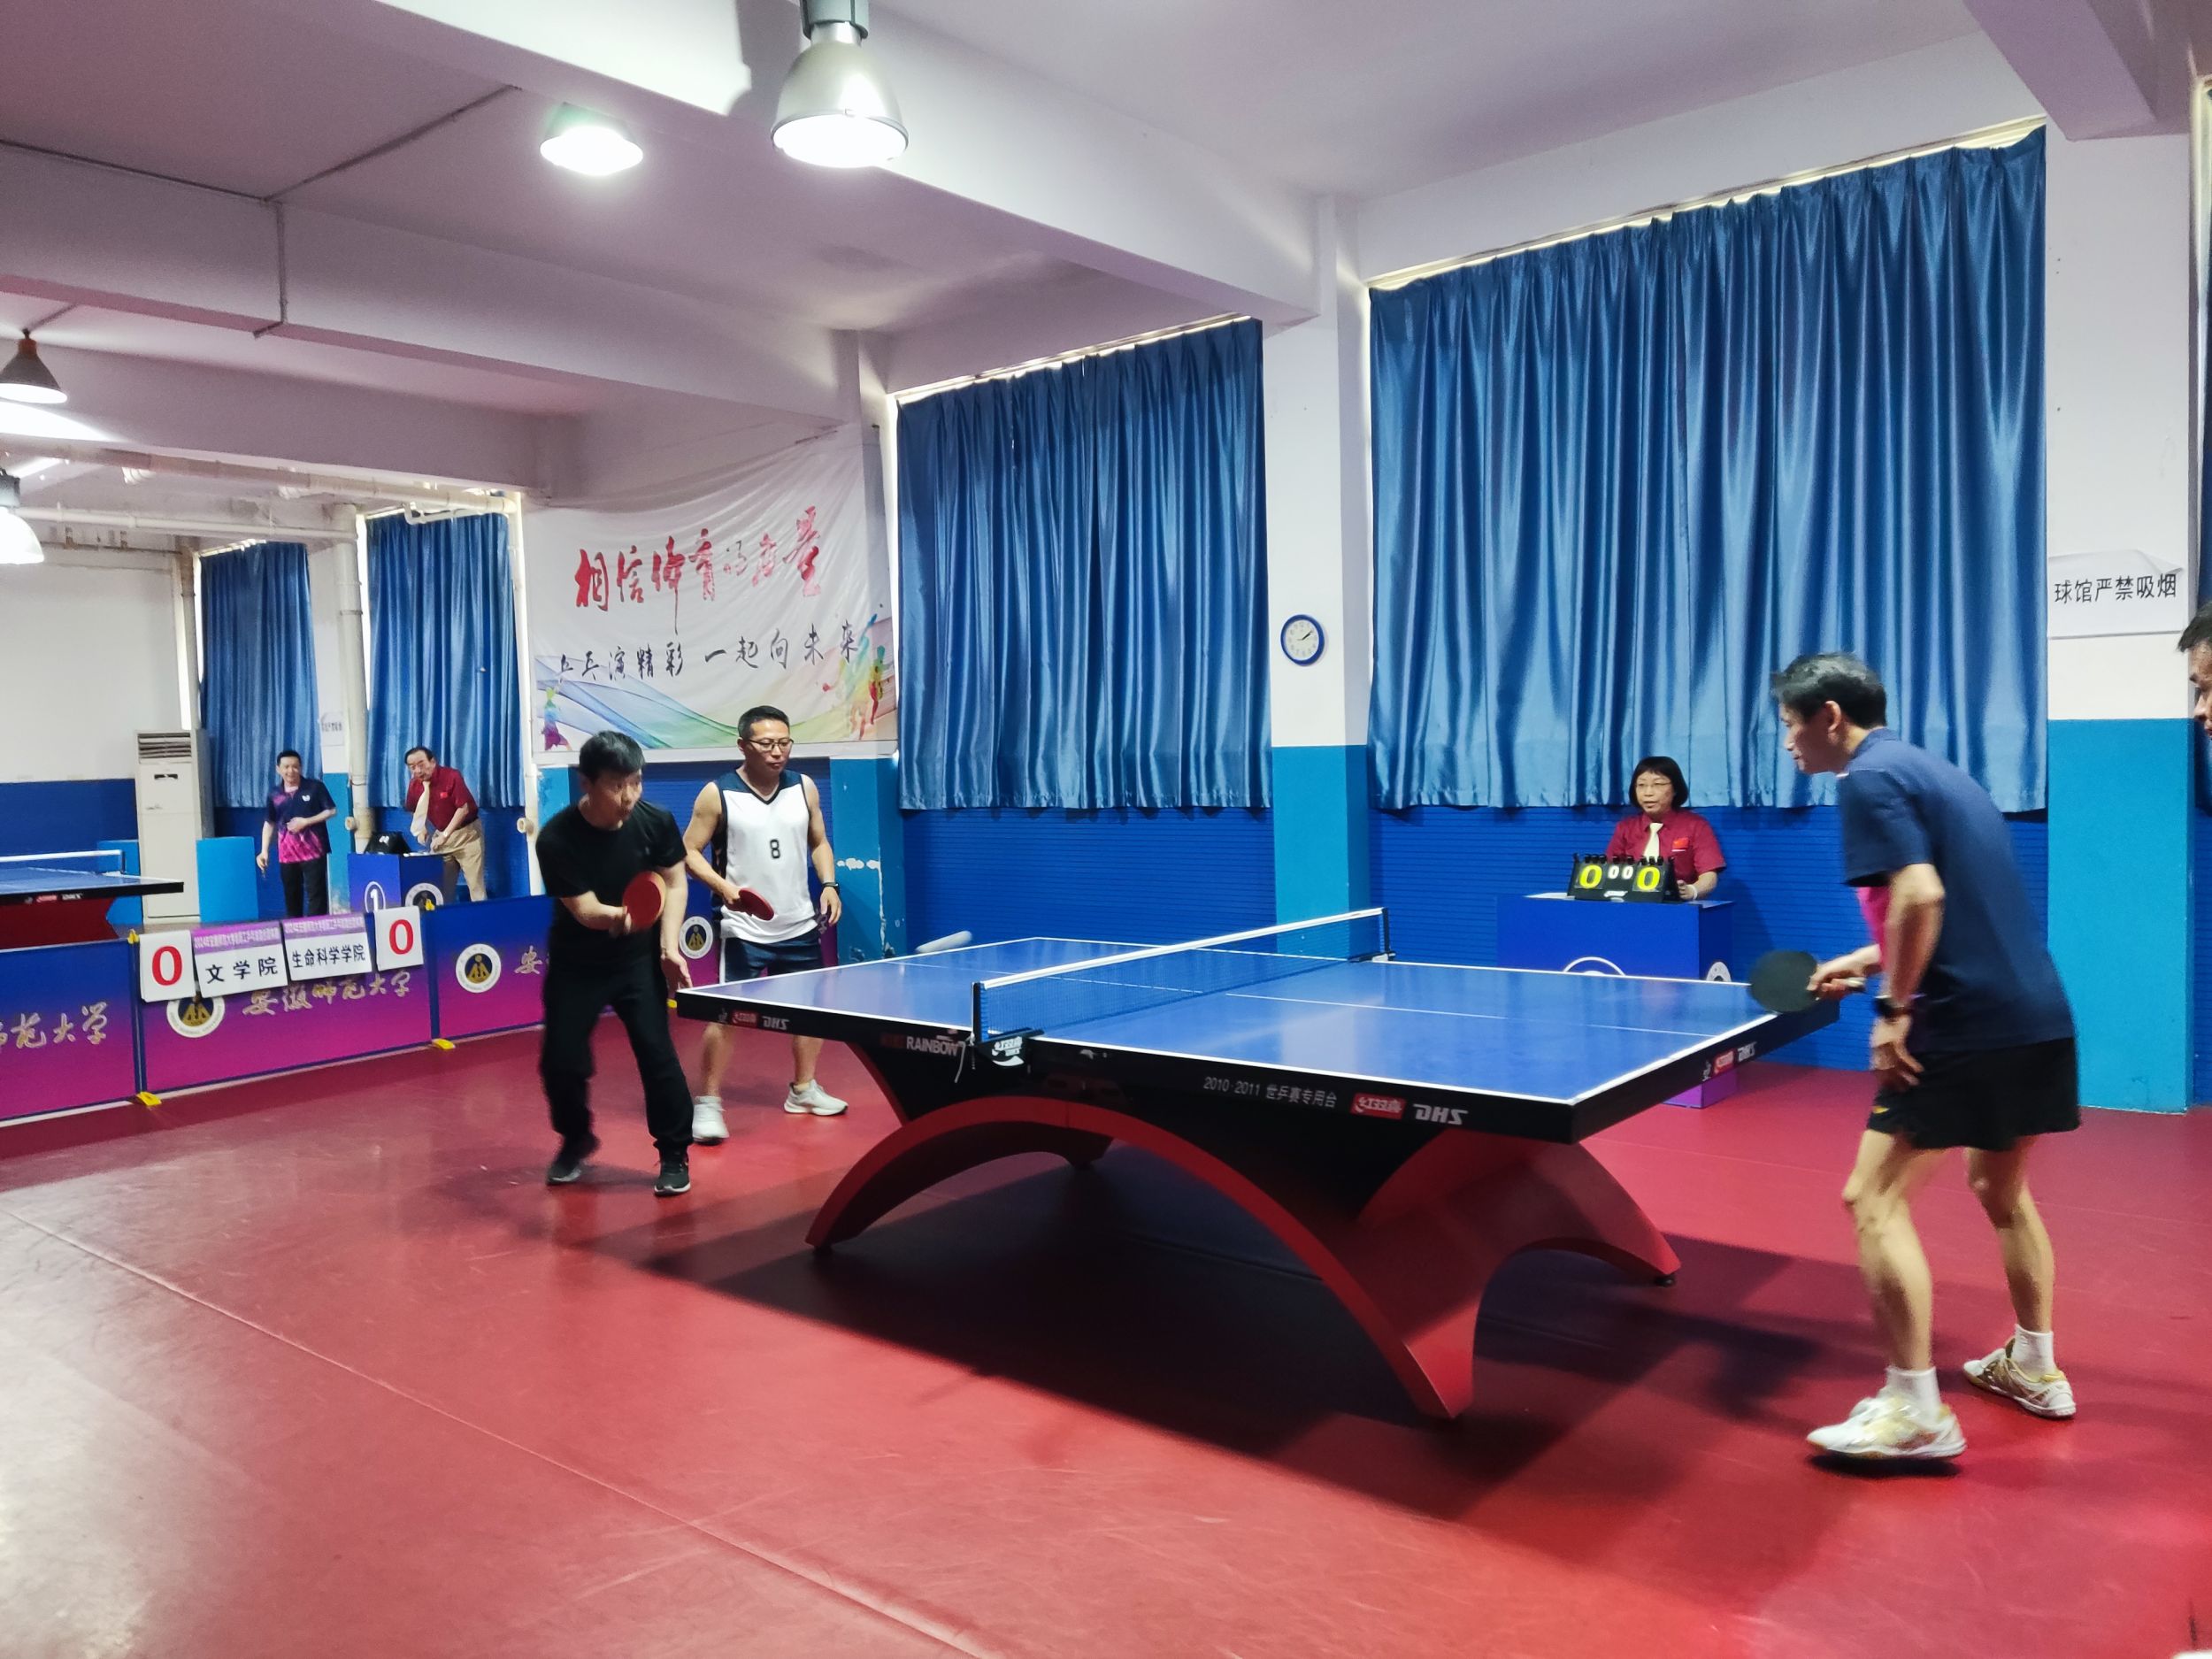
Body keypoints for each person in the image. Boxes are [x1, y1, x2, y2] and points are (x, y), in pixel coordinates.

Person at [1775, 652, 2078, 1463]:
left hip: (1961, 1024)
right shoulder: (1944, 775)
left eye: (1791, 724)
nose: (1789, 742)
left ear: (1830, 716)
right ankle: (2036, 1365)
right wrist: (1866, 959)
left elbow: (1921, 894)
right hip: (2035, 1013)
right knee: (2000, 1189)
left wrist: (1893, 1007)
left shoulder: (1867, 779)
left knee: (1871, 1199)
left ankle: (1914, 1410)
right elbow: (1956, 906)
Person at [534, 730, 696, 1196]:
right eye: (616, 785)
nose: (629, 796)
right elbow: (586, 911)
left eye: (636, 782)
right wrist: (627, 916)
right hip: (577, 962)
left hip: (636, 960)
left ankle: (674, 1151)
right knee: (561, 1061)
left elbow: (675, 882)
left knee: (657, 1053)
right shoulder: (557, 838)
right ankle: (576, 1138)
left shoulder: (655, 821)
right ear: (587, 783)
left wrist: (669, 947)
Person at [682, 705, 846, 1142]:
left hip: (799, 923)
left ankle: (803, 1089)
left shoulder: (803, 787)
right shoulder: (717, 794)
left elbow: (819, 841)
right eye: (767, 743)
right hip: (743, 927)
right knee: (727, 1015)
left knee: (812, 1012)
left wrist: (829, 884)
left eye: (784, 742)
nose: (778, 751)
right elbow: (689, 850)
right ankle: (708, 1103)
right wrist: (724, 887)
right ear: (743, 746)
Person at [1601, 755, 1724, 899]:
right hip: (1631, 903)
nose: (1648, 793)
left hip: (1677, 905)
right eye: (1641, 785)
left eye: (1658, 784)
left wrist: (1692, 890)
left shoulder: (1696, 825)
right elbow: (1609, 871)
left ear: (1675, 789)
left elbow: (1709, 875)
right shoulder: (1625, 828)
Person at [257, 749, 338, 917]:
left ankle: (317, 929)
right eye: (286, 767)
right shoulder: (274, 794)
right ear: (278, 769)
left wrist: (306, 821)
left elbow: (331, 811)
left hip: (314, 852)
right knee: (292, 897)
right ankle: (294, 930)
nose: (291, 771)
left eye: (295, 766)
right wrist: (264, 851)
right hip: (287, 855)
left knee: (317, 896)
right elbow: (269, 822)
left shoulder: (315, 787)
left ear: (300, 767)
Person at [403, 744, 487, 902]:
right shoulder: (414, 785)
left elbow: (463, 808)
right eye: (412, 767)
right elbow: (414, 808)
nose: (418, 771)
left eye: (421, 765)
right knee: (440, 888)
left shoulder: (451, 776)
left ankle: (481, 915)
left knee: (476, 887)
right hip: (441, 837)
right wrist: (422, 827)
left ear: (432, 762)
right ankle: (444, 915)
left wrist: (445, 835)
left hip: (467, 835)